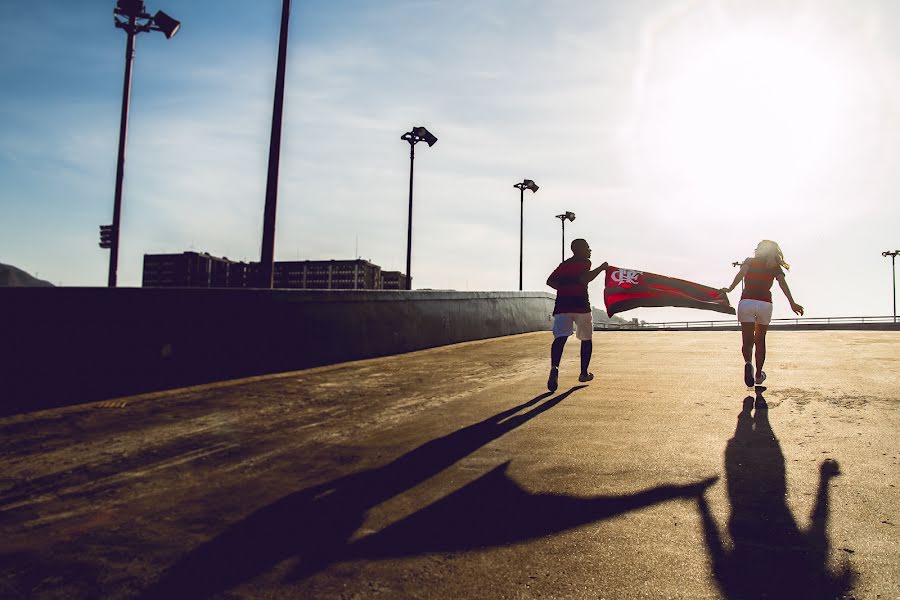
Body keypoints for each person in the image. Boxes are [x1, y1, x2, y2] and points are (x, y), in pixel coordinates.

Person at [720, 240, 804, 387]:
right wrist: (792, 302)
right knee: (760, 340)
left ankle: (748, 364)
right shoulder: (774, 266)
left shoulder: (749, 261)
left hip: (746, 302)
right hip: (765, 304)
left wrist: (730, 289)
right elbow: (782, 283)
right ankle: (759, 375)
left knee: (747, 340)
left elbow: (741, 274)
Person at [545, 238, 608, 392]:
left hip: (562, 305)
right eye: (587, 247)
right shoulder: (585, 262)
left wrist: (566, 285)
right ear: (579, 250)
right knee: (586, 339)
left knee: (560, 338)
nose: (590, 250)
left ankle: (555, 368)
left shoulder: (564, 265)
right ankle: (584, 373)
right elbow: (585, 278)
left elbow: (550, 281)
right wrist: (601, 268)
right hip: (580, 305)